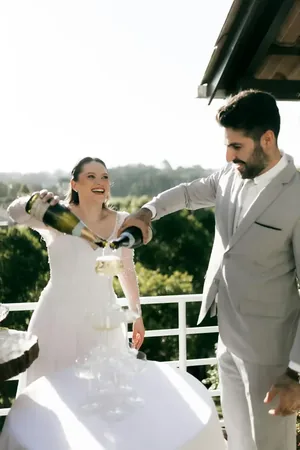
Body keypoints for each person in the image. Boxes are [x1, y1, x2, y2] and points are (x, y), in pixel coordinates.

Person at [117, 90, 300, 450]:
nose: (229, 155)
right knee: (238, 440)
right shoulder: (229, 177)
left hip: (273, 354)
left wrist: (295, 372)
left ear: (267, 139)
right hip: (227, 336)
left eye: (236, 146)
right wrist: (146, 213)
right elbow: (185, 194)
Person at [7, 156, 145, 394]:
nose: (99, 181)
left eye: (104, 177)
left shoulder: (121, 221)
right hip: (56, 318)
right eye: (90, 176)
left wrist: (137, 315)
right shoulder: (55, 216)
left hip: (102, 319)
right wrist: (34, 198)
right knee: (51, 390)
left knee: (100, 393)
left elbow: (127, 270)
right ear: (74, 184)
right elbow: (13, 213)